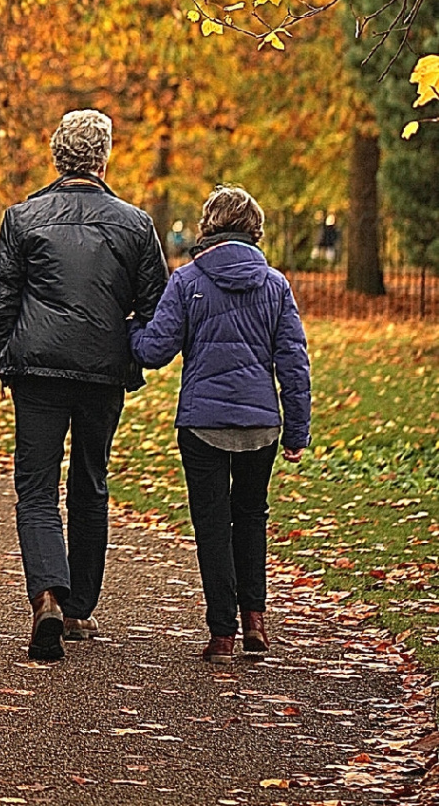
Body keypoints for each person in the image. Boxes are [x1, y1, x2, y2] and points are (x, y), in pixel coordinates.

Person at [0, 109, 168, 662]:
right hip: (100, 372)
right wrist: (122, 342)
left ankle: (46, 594)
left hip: (37, 371)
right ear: (104, 157)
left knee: (36, 485)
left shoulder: (23, 218)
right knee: (91, 481)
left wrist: (6, 360)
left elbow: (1, 298)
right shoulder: (134, 224)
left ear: (56, 155)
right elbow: (155, 305)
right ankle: (79, 607)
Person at [129, 185, 311, 661]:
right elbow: (294, 362)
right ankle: (256, 621)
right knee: (251, 518)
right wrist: (296, 431)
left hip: (203, 424)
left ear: (208, 226)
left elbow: (154, 351)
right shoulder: (275, 285)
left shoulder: (187, 280)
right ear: (254, 230)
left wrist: (130, 328)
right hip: (260, 425)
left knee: (212, 525)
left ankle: (222, 634)